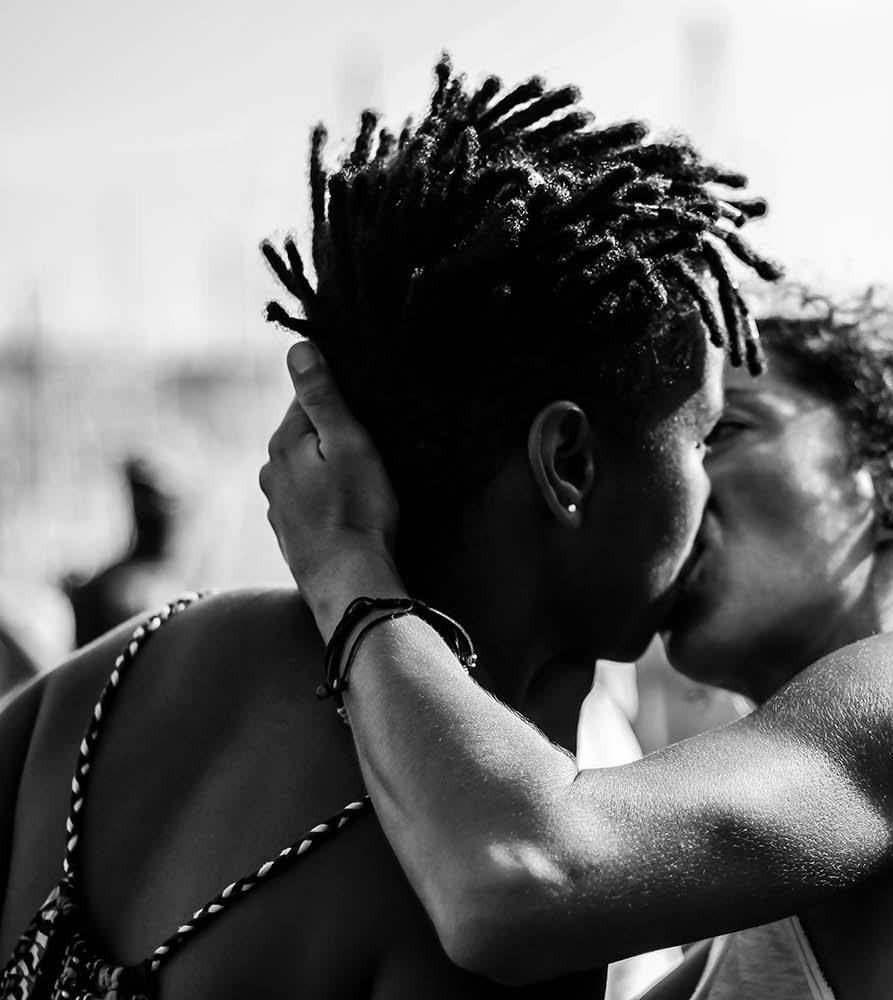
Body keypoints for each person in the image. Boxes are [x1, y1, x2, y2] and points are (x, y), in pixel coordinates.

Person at [0, 55, 776, 1000]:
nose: (714, 484)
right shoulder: (481, 867)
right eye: (703, 436)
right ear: (569, 464)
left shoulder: (114, 676)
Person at [259, 288, 893, 998]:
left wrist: (347, 567)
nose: (685, 484)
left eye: (724, 434)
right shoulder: (785, 887)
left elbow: (510, 875)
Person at [65, 455, 188, 647]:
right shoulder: (153, 497)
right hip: (142, 566)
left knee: (90, 595)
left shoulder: (154, 498)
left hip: (149, 567)